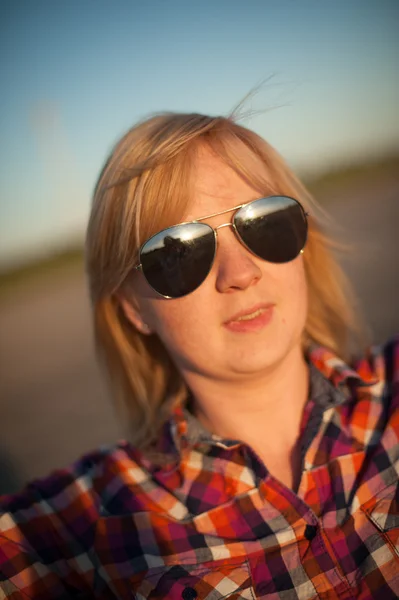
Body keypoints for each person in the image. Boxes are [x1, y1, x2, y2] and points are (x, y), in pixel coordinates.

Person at [0, 112, 398, 599]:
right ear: (132, 307)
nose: (240, 272)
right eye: (179, 251)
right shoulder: (93, 524)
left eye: (265, 221)